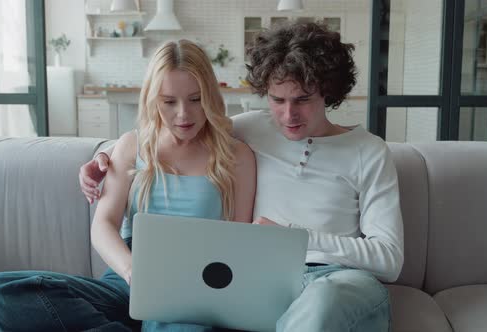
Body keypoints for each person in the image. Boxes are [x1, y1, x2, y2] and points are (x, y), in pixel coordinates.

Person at [81, 22, 404, 331]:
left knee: (320, 301)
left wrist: (296, 238)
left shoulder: (369, 151)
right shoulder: (251, 128)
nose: (288, 115)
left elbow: (389, 259)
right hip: (270, 279)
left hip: (342, 281)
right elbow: (180, 131)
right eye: (278, 100)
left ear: (329, 92)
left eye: (303, 100)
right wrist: (103, 158)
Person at [0, 39, 256, 332]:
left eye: (195, 99)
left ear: (210, 95)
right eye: (169, 101)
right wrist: (135, 272)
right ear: (152, 99)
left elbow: (235, 245)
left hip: (195, 281)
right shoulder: (131, 145)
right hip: (127, 281)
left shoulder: (237, 156)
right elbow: (103, 225)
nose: (183, 114)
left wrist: (185, 288)